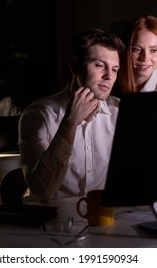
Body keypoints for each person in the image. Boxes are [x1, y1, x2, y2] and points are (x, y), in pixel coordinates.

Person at [18, 28, 125, 202]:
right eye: (99, 65)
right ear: (75, 66)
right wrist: (70, 122)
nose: (109, 76)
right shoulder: (38, 115)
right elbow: (41, 191)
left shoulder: (120, 114)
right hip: (50, 219)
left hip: (102, 218)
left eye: (114, 69)